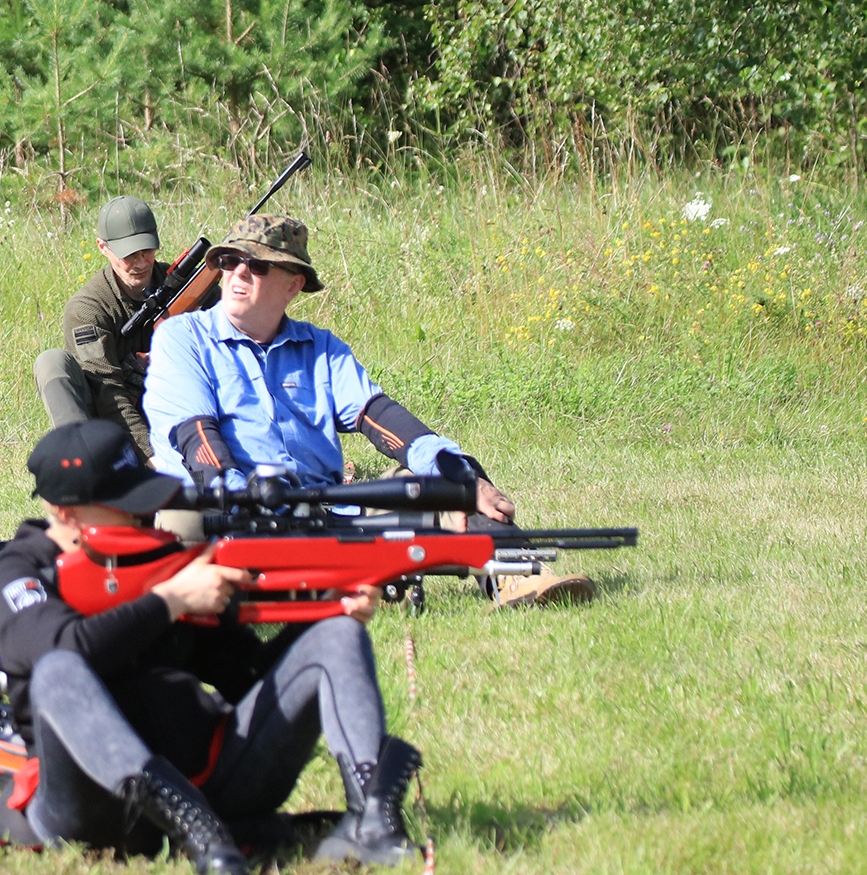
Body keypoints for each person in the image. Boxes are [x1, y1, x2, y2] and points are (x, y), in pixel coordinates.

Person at [0, 419, 421, 875]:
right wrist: (170, 601)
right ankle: (196, 827)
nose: (145, 516)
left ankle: (371, 819)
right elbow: (62, 650)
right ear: (65, 512)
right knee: (58, 671)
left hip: (215, 782)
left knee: (336, 634)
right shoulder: (22, 570)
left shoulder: (164, 564)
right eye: (125, 506)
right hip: (91, 807)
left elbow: (249, 678)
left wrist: (323, 610)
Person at [143, 214, 594, 609]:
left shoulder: (322, 348)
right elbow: (196, 440)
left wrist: (461, 476)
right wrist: (248, 501)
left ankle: (519, 576)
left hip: (319, 510)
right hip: (226, 510)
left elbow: (382, 419)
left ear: (294, 285)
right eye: (229, 261)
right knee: (179, 516)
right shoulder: (181, 339)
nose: (238, 273)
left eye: (257, 265)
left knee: (447, 483)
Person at [33, 196, 215, 459]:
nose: (141, 263)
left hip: (185, 412)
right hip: (112, 424)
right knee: (51, 362)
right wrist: (153, 459)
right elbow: (108, 393)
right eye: (129, 254)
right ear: (102, 247)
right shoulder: (88, 308)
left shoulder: (185, 286)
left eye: (146, 251)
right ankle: (83, 465)